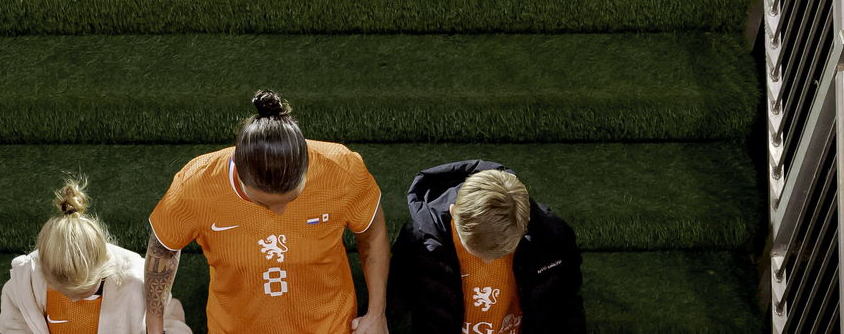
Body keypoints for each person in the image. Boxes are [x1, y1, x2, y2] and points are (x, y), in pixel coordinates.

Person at [144, 90, 390, 334]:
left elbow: (372, 232)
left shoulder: (341, 167)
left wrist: (377, 314)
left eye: (291, 198)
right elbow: (162, 250)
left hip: (330, 325)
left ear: (306, 166)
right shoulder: (196, 183)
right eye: (263, 204)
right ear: (238, 172)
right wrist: (155, 329)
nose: (279, 212)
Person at [388, 160, 585, 334]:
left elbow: (567, 300)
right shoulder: (421, 238)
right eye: (476, 251)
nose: (489, 262)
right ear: (455, 214)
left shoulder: (552, 236)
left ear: (525, 223)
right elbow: (396, 291)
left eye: (503, 252)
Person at [0, 178, 192, 333]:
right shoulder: (25, 283)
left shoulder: (136, 279)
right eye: (65, 293)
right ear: (43, 272)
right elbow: (13, 326)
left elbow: (171, 322)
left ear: (104, 268)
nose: (74, 301)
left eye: (85, 293)